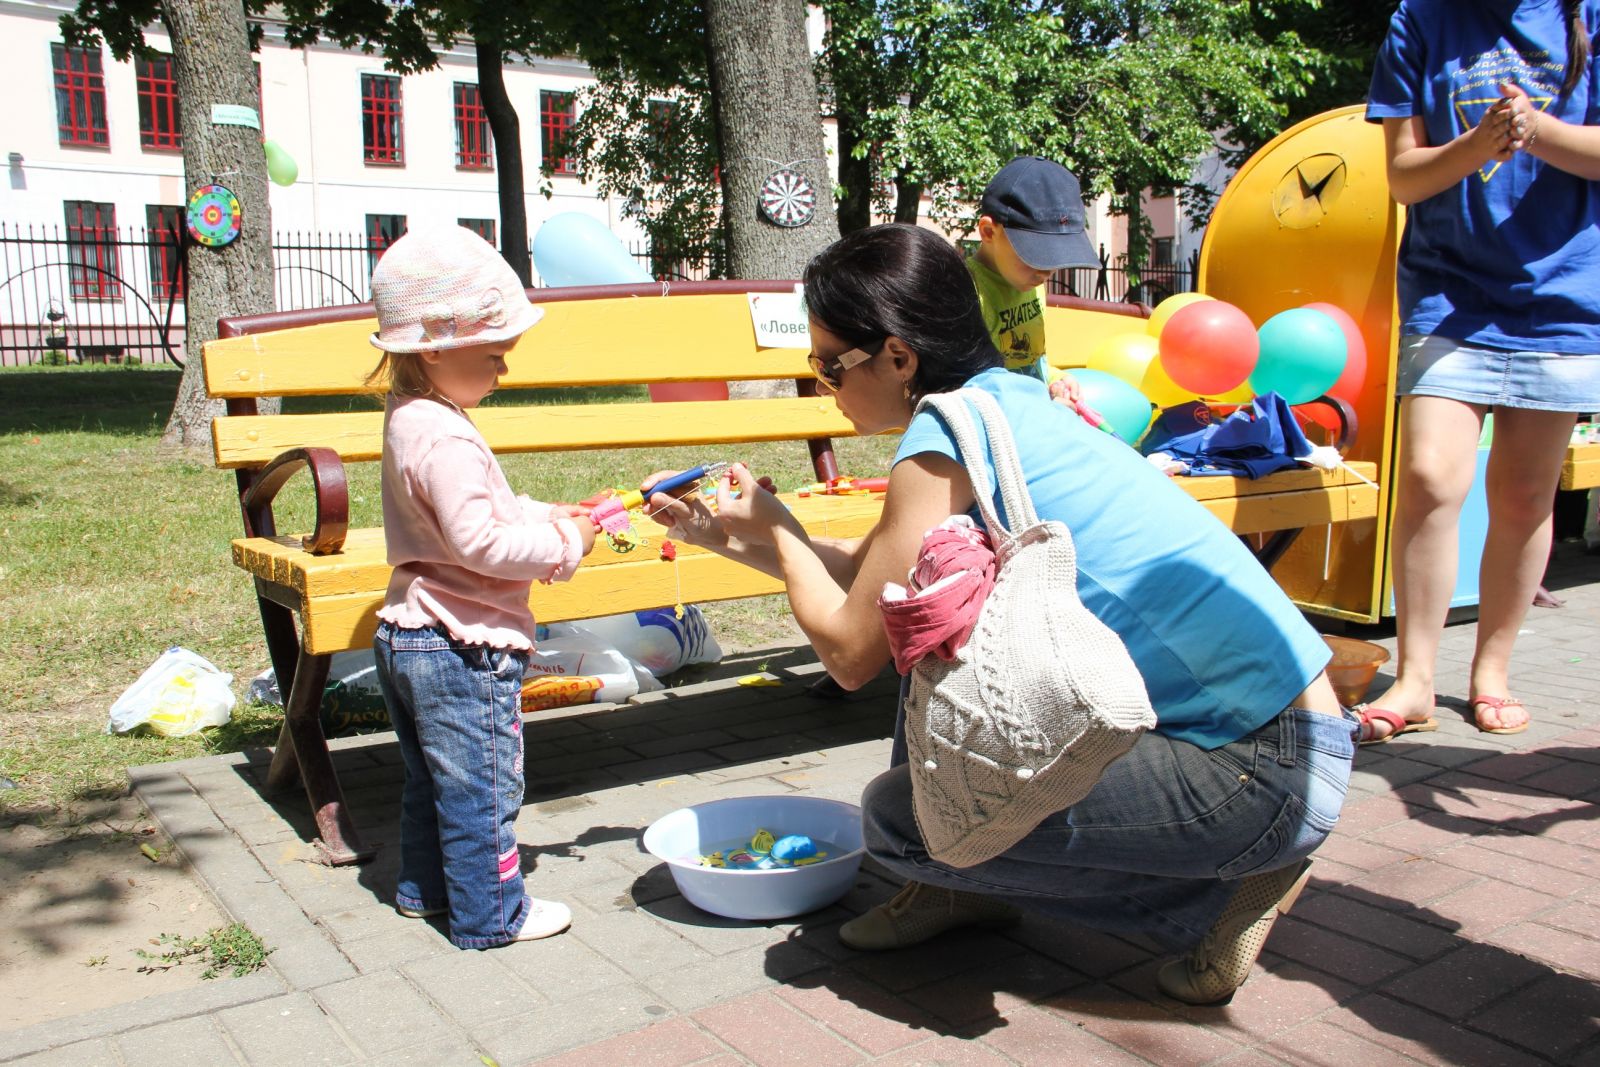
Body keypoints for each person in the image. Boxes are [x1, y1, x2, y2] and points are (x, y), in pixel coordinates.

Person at [646, 224, 1357, 1005]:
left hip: (1259, 771)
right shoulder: (1007, 401)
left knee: (904, 822)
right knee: (936, 639)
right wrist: (728, 537)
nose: (821, 385)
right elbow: (880, 579)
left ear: (898, 356)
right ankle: (970, 888)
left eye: (828, 364)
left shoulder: (943, 437)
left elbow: (851, 653)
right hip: (1290, 735)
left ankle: (1213, 896)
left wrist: (779, 534)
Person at [1362, 0, 1600, 742]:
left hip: (1561, 295)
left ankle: (1492, 670)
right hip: (1449, 295)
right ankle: (1416, 678)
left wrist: (1539, 131)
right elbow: (1403, 176)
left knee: (1526, 495)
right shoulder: (1421, 18)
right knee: (1432, 476)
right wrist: (1481, 142)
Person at [365, 226, 598, 949]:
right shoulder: (449, 436)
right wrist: (566, 544)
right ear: (433, 346)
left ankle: (425, 889)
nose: (503, 368)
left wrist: (545, 511)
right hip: (463, 645)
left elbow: (473, 513)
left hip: (409, 635)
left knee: (431, 782)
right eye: (493, 353)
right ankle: (492, 913)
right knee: (484, 790)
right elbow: (481, 542)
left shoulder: (416, 418)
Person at [968, 156, 1097, 405]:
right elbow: (968, 391)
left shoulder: (1029, 280)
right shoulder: (968, 294)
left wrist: (1055, 380)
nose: (1046, 273)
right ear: (988, 232)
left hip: (1032, 419)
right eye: (1036, 257)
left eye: (1054, 260)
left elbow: (1033, 361)